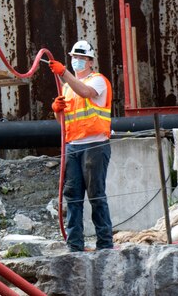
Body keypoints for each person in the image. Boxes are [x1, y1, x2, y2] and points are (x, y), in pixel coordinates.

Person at [49, 40, 114, 252]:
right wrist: (57, 110)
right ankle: (74, 244)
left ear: (90, 61)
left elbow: (85, 92)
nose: (77, 61)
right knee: (73, 197)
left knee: (96, 195)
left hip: (95, 145)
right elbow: (63, 124)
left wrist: (64, 72)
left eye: (81, 58)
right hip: (73, 145)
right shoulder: (67, 89)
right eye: (74, 57)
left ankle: (104, 243)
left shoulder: (98, 81)